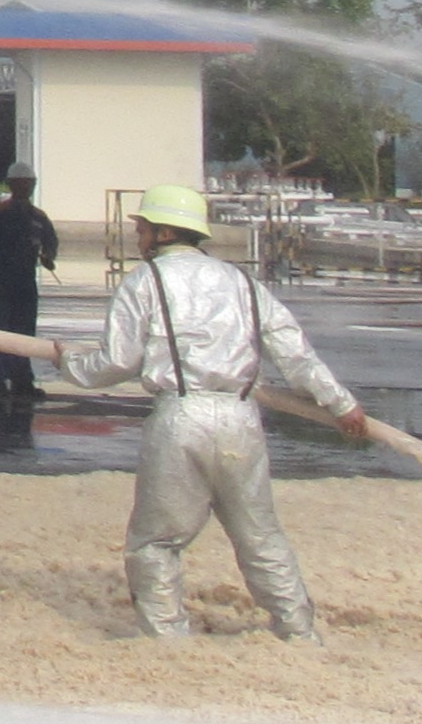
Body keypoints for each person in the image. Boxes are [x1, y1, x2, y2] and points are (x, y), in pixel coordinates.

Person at [59, 185, 372, 642]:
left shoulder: (144, 281)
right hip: (240, 417)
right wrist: (342, 405)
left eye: (143, 228)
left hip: (181, 417)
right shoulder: (242, 283)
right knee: (260, 537)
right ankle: (299, 632)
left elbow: (117, 362)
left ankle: (167, 639)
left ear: (165, 232)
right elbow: (295, 355)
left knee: (156, 543)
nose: (138, 236)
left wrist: (69, 363)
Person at [0, 169, 59, 411]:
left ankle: (22, 380)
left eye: (29, 183)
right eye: (21, 183)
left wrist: (48, 256)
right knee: (0, 330)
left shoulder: (38, 216)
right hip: (1, 280)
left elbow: (50, 242)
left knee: (24, 331)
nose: (26, 187)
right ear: (11, 184)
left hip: (24, 282)